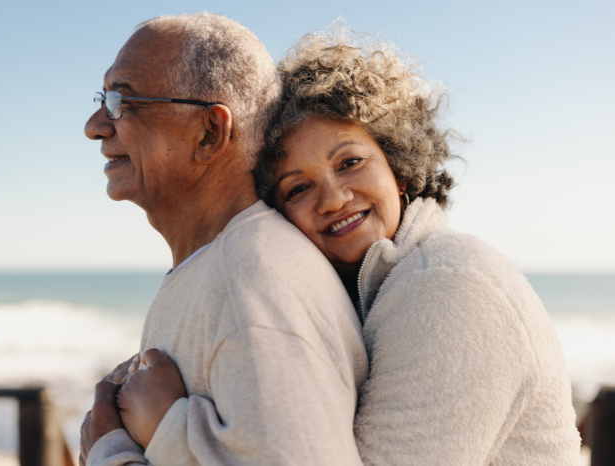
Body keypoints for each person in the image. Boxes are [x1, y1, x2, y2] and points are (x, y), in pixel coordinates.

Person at [119, 29, 583, 465]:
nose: (334, 198)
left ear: (399, 166)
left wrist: (167, 429)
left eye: (351, 162)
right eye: (297, 188)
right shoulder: (375, 289)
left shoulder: (449, 284)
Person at [81, 13, 368, 466]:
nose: (95, 125)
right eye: (103, 98)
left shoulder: (252, 280)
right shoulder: (223, 266)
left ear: (210, 132)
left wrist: (110, 453)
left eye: (123, 100)